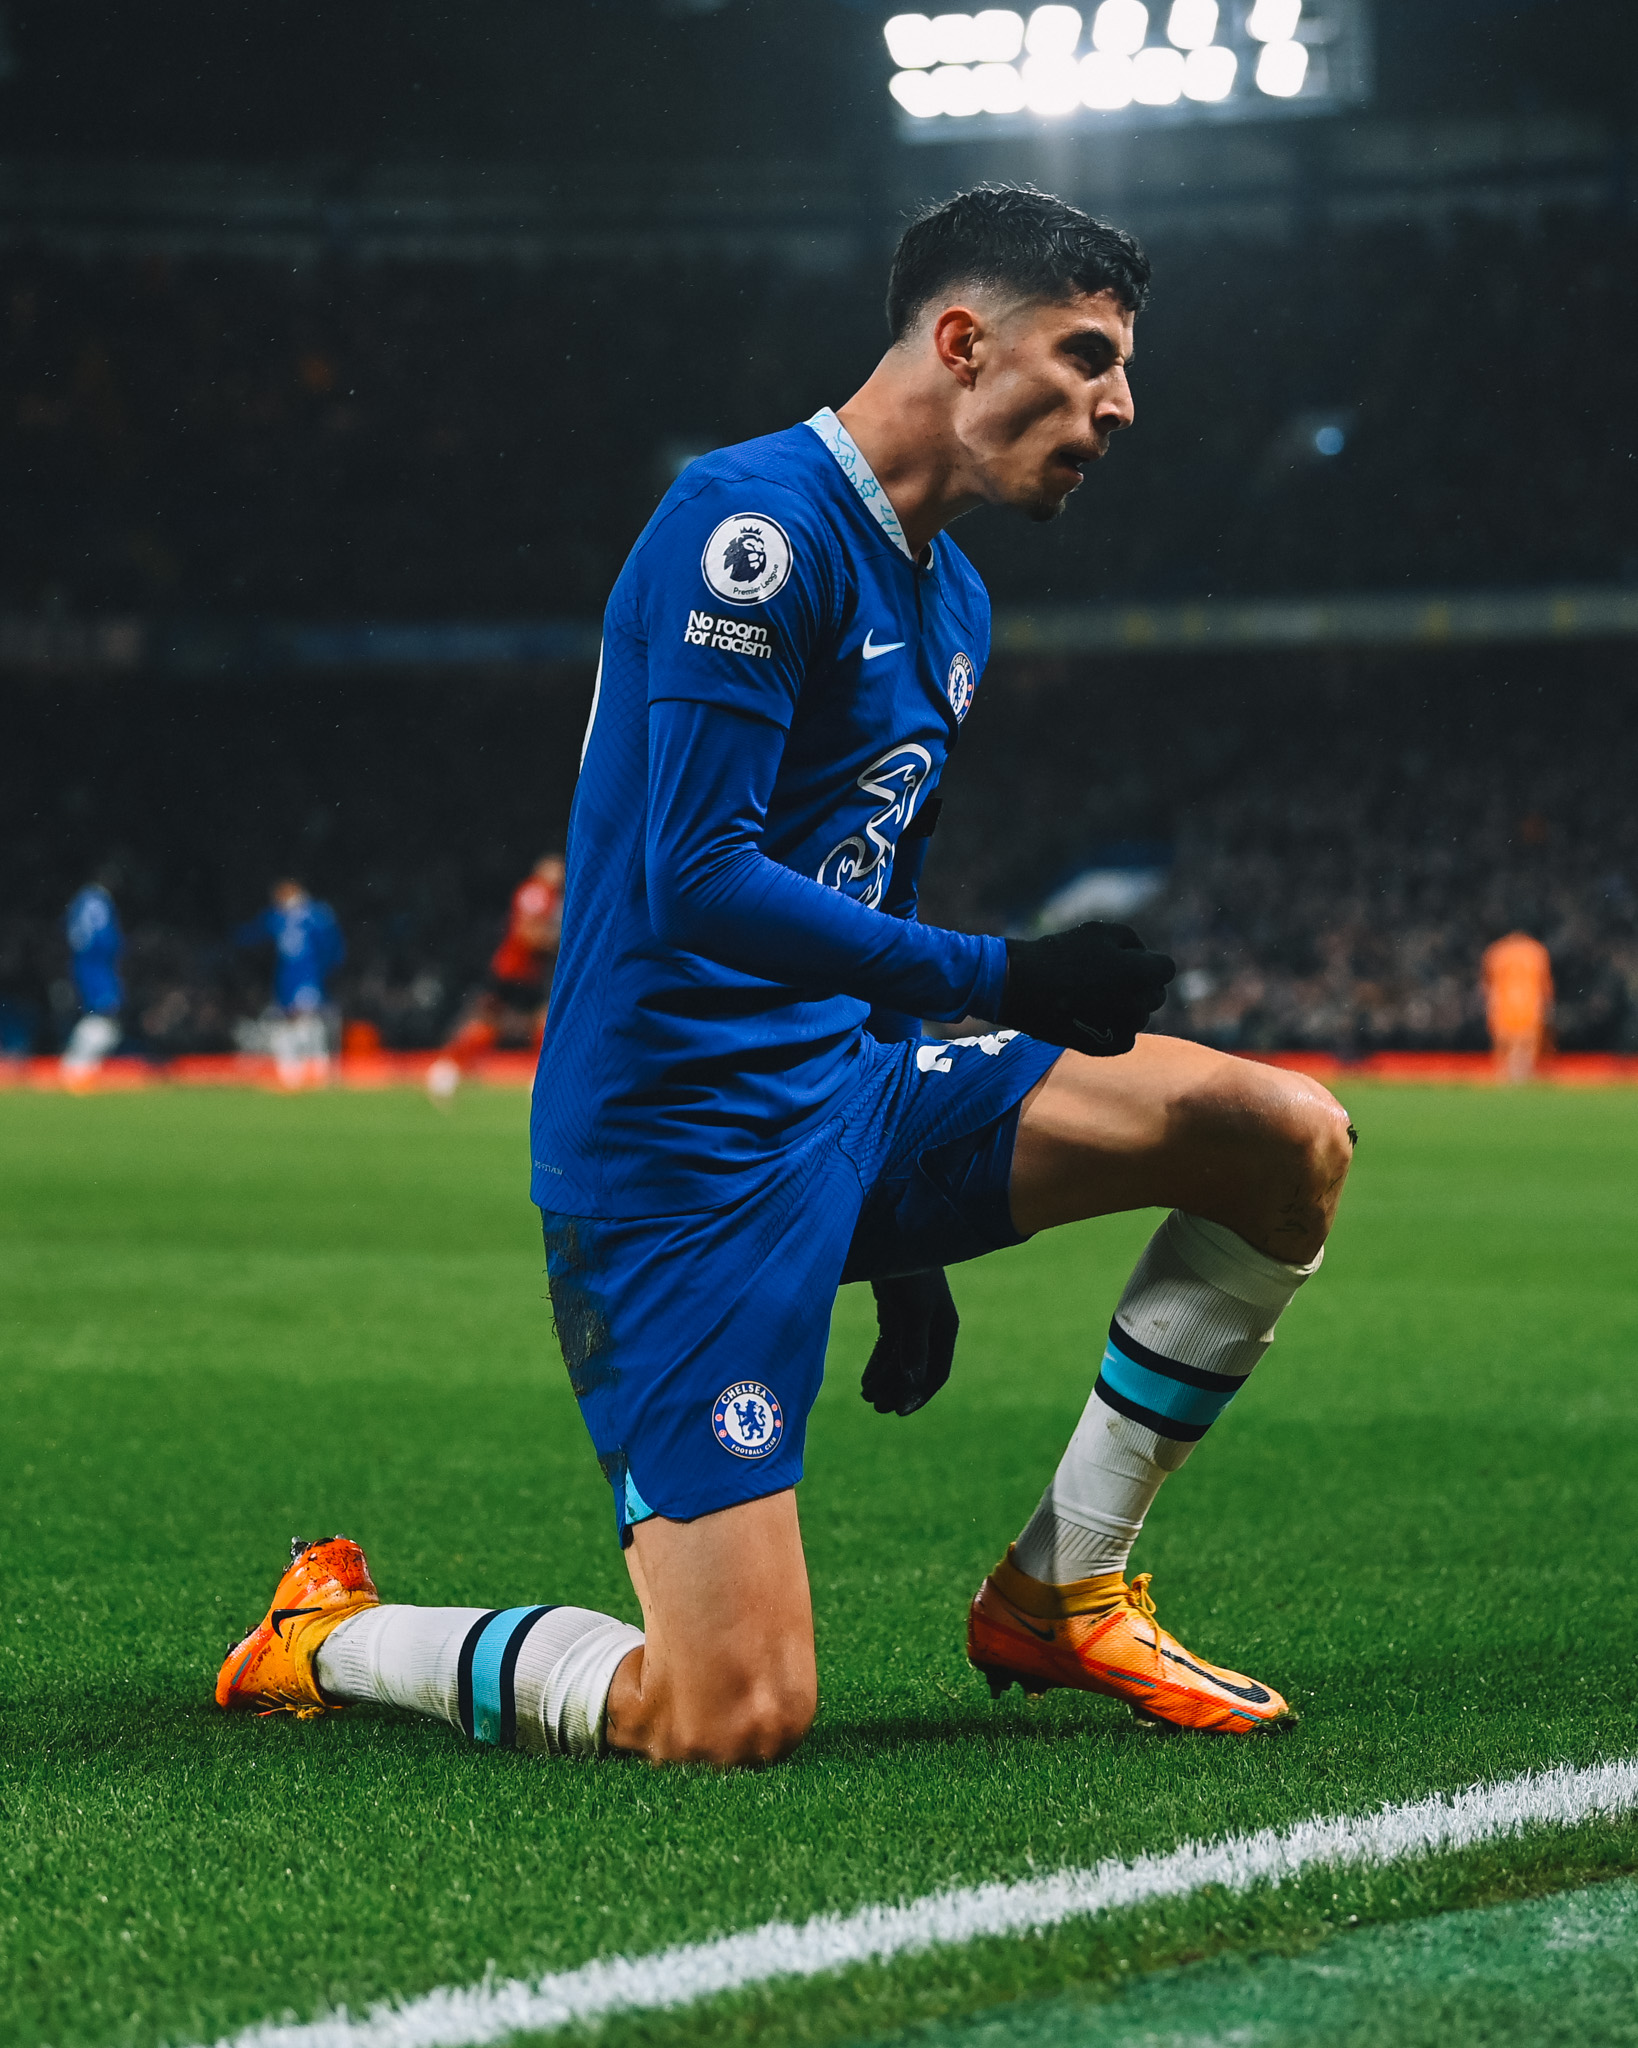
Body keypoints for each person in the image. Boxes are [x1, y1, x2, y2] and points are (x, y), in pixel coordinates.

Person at [219, 187, 1355, 1764]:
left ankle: (1058, 1591)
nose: (1120, 404)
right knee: (728, 1713)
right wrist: (1006, 976)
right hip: (674, 1155)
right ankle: (336, 1639)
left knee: (1280, 1134)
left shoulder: (950, 597)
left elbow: (856, 886)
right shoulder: (746, 529)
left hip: (850, 1093)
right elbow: (696, 880)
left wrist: (904, 1247)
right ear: (961, 343)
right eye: (1087, 356)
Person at [426, 855, 565, 1101]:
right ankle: (447, 1066)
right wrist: (559, 942)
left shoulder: (550, 896)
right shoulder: (535, 892)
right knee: (495, 1022)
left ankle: (447, 1067)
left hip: (528, 972)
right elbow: (527, 933)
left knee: (536, 1021)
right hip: (514, 971)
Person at [235, 880, 346, 1089]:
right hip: (288, 980)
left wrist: (328, 972)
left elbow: (332, 948)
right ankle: (297, 1072)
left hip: (307, 978)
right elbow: (255, 932)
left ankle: (316, 1071)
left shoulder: (315, 916)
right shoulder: (282, 917)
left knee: (307, 1024)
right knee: (291, 1025)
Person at [61, 877, 124, 1087]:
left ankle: (79, 1068)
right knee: (104, 1016)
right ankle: (75, 1068)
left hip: (83, 963)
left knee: (101, 1017)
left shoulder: (81, 900)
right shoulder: (98, 900)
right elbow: (105, 939)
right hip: (98, 966)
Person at [1481, 931, 1553, 1083]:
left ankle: (1506, 1075)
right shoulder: (1535, 951)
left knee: (1506, 1040)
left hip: (1504, 1001)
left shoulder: (1497, 951)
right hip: (1529, 1001)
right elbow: (1545, 985)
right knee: (1525, 1040)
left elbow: (1488, 984)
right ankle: (1521, 1074)